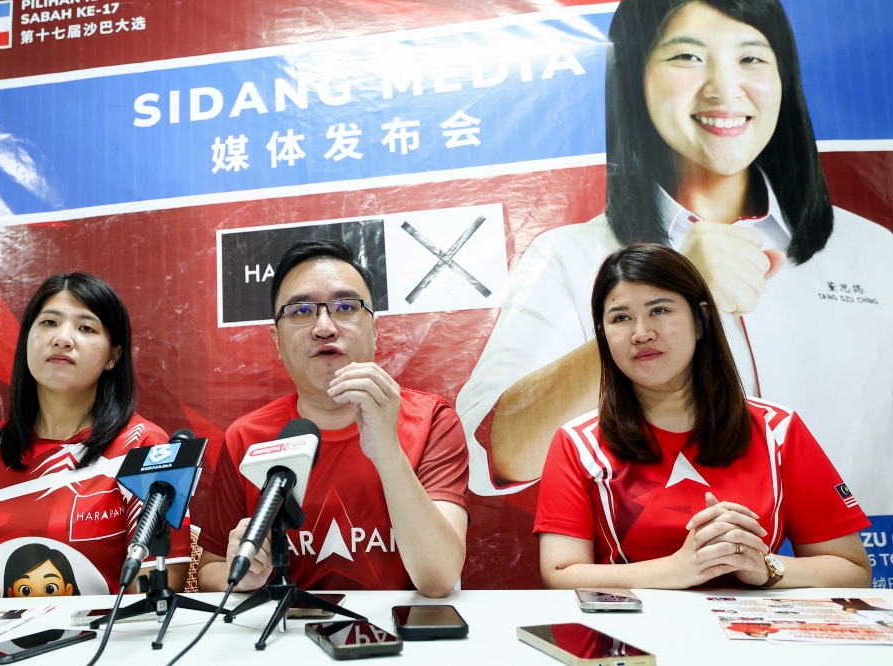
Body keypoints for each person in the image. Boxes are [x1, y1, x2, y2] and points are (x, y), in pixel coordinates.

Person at [456, 0, 893, 526]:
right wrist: (671, 292)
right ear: (633, 76)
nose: (724, 88)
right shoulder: (569, 256)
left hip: (848, 582)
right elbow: (496, 454)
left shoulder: (873, 251)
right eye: (687, 56)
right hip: (654, 584)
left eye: (752, 59)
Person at [535, 243, 871, 590]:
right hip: (635, 640)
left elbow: (853, 570)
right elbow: (559, 574)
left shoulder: (778, 430)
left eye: (660, 310)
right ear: (604, 335)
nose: (641, 333)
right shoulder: (577, 443)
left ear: (701, 320)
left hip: (759, 638)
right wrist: (678, 569)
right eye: (620, 318)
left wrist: (765, 567)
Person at [196, 240, 468, 597]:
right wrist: (242, 575)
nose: (324, 327)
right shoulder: (246, 437)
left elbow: (439, 578)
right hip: (282, 642)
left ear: (375, 328)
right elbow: (211, 570)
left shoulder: (433, 420)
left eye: (345, 307)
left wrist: (387, 451)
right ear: (276, 339)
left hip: (402, 637)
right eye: (302, 311)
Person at [0, 273, 191, 598]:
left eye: (86, 328)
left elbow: (154, 593)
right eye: (49, 323)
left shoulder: (147, 447)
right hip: (4, 648)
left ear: (113, 356)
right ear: (27, 339)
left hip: (107, 646)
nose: (62, 338)